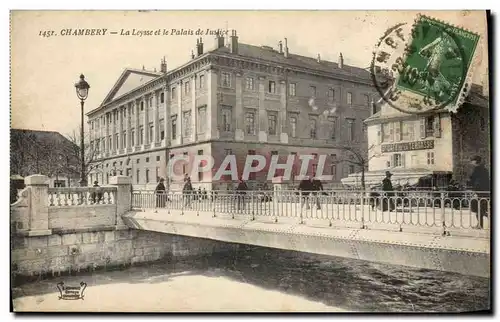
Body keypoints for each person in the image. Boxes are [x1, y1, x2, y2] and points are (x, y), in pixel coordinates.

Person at [467, 156, 490, 229]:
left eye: (472, 160)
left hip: (480, 191)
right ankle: (480, 224)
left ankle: (480, 224)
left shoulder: (477, 169)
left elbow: (472, 179)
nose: (471, 162)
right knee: (482, 208)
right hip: (486, 191)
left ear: (476, 161)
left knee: (479, 209)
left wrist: (470, 183)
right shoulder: (485, 169)